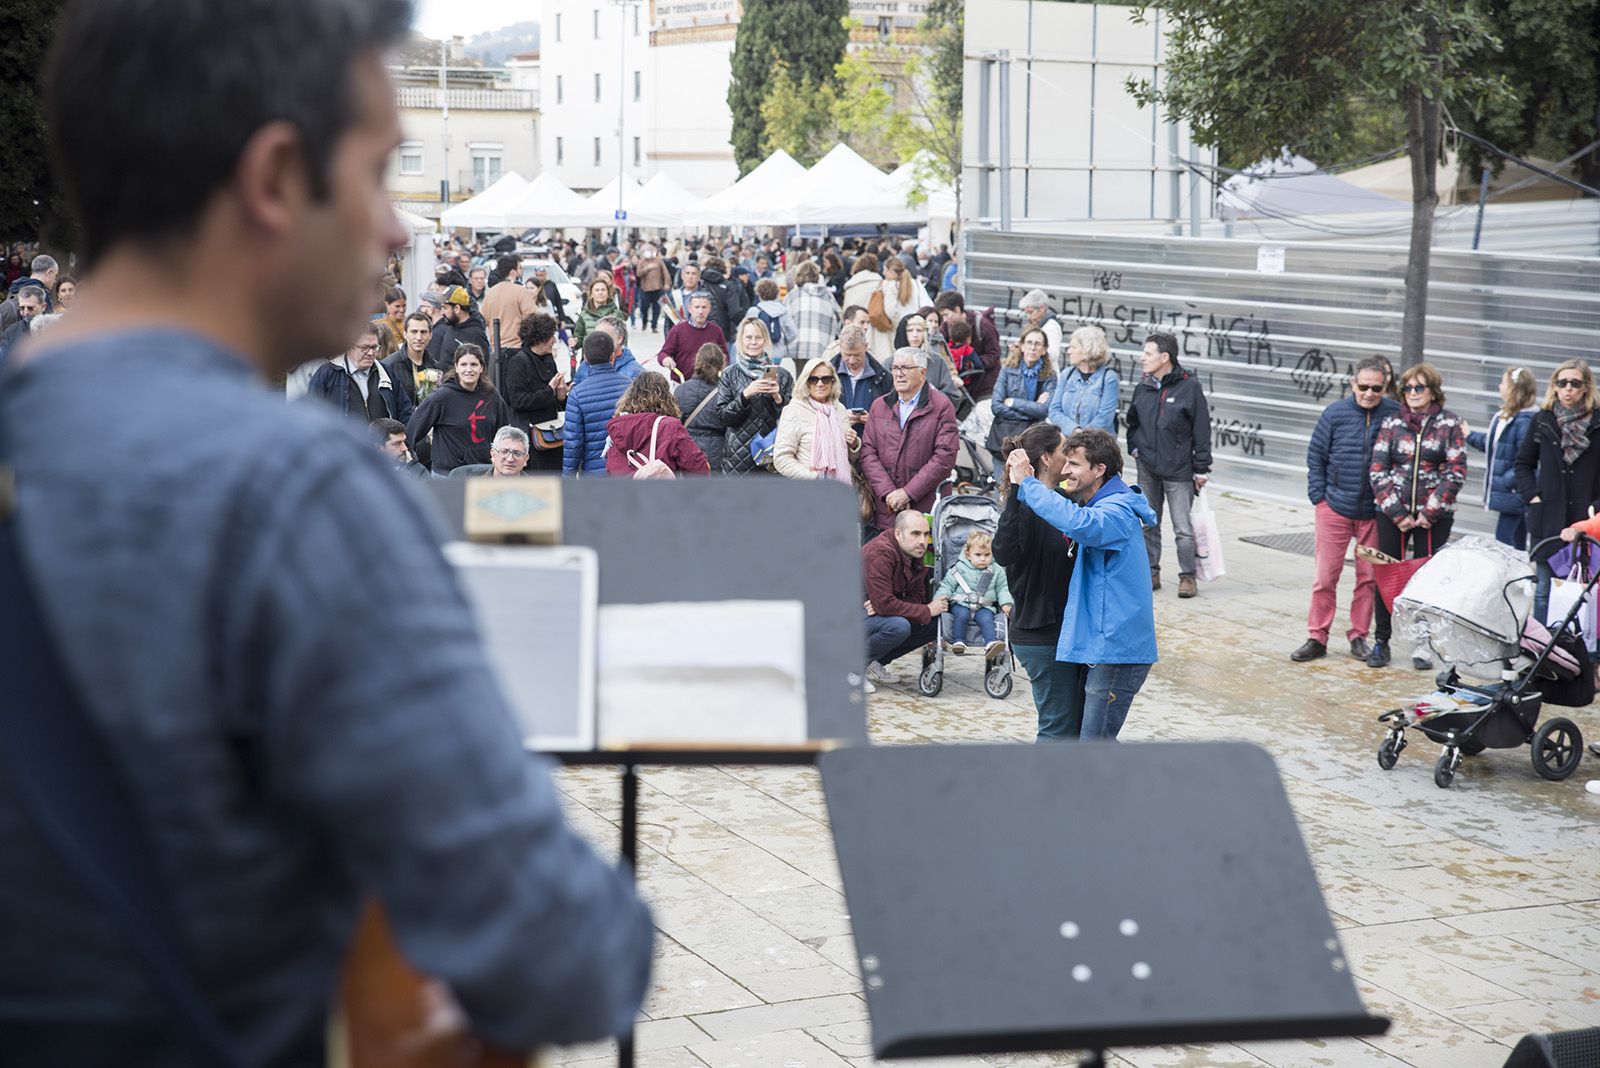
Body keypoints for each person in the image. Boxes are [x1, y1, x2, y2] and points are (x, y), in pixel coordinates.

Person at [1, 0, 651, 1059]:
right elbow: (557, 953)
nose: (395, 229)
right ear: (271, 181)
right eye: (375, 171)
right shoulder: (298, 492)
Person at [1006, 429, 1158, 739]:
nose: (1065, 470)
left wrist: (1029, 484)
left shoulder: (1117, 512)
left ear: (1099, 469)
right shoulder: (1099, 503)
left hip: (1117, 652)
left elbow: (1079, 524)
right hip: (1100, 647)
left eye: (1074, 464)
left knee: (1092, 747)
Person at [1291, 358, 1400, 664]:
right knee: (1325, 576)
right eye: (1363, 386)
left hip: (1374, 513)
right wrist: (1319, 497)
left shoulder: (1394, 414)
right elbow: (1316, 456)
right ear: (1353, 384)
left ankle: (1359, 636)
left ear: (1384, 387)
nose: (1368, 393)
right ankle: (1317, 636)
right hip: (1335, 508)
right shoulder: (1334, 413)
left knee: (1368, 579)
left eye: (1376, 388)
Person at [1367, 362, 1467, 670]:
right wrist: (1398, 513)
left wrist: (1429, 512)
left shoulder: (1448, 424)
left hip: (1433, 517)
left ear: (1433, 391)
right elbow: (1378, 469)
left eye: (1418, 388)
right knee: (1386, 573)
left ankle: (1424, 643)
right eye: (1407, 388)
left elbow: (1457, 470)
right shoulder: (1392, 423)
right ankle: (1381, 640)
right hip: (1392, 514)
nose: (1412, 393)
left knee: (1427, 579)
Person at [993, 422, 1081, 740]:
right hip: (1040, 635)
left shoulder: (1060, 500)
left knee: (1072, 725)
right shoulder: (1025, 506)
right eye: (1063, 452)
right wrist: (1019, 487)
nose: (1068, 458)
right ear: (1045, 458)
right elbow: (1003, 551)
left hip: (1064, 631)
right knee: (1057, 727)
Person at [1126, 331, 1212, 599]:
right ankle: (1151, 572)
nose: (1142, 358)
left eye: (1148, 353)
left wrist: (1201, 468)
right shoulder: (1144, 386)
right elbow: (1132, 422)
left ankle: (1187, 576)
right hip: (1148, 468)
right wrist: (1135, 449)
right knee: (1148, 523)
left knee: (1183, 528)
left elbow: (1202, 429)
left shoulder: (1190, 386)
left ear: (1165, 357)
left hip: (1179, 470)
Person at [1515, 360, 1600, 626]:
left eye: (1575, 383)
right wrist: (1532, 496)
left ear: (1586, 387)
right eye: (1562, 383)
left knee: (1582, 591)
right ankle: (1543, 653)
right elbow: (1523, 463)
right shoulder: (1544, 419)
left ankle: (1578, 655)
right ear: (1554, 386)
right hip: (1548, 517)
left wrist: (1595, 508)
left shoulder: (1597, 423)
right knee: (1543, 589)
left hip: (1584, 521)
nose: (1568, 389)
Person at [859, 347, 960, 534]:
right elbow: (868, 453)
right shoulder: (879, 406)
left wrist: (907, 493)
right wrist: (889, 493)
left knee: (923, 560)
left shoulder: (942, 406)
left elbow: (945, 457)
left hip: (925, 507)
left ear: (923, 372)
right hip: (887, 507)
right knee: (888, 559)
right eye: (895, 368)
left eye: (905, 367)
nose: (898, 374)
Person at [861, 510, 949, 694]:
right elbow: (885, 604)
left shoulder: (914, 553)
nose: (922, 541)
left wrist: (887, 604)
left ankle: (874, 662)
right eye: (915, 533)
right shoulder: (880, 552)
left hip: (874, 614)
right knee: (899, 626)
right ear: (898, 534)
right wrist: (885, 605)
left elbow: (917, 597)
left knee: (935, 623)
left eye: (926, 534)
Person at [406, 344, 511, 475]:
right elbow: (411, 432)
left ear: (482, 368)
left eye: (474, 364)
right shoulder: (442, 397)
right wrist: (414, 467)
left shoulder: (492, 396)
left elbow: (504, 434)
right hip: (448, 475)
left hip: (484, 473)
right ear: (456, 367)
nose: (469, 369)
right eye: (463, 365)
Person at [1467, 366, 1538, 550]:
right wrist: (1469, 435)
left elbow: (1527, 460)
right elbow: (1496, 447)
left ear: (1513, 389)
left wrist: (1509, 481)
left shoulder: (1525, 422)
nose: (1499, 386)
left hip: (1515, 493)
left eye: (1503, 383)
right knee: (1516, 543)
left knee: (1504, 543)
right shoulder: (1506, 417)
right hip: (1512, 494)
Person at [715, 318, 793, 475]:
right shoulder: (730, 374)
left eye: (758, 338)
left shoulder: (782, 375)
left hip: (770, 453)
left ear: (765, 340)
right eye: (749, 337)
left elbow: (793, 419)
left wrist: (778, 398)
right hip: (738, 458)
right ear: (741, 340)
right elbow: (723, 417)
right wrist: (745, 395)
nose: (753, 342)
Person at [305, 322, 413, 425]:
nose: (370, 353)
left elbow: (404, 412)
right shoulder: (327, 374)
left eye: (374, 347)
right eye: (364, 348)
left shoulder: (386, 372)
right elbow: (311, 414)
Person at [604, 373, 710, 477]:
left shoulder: (617, 430)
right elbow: (699, 469)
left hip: (625, 493)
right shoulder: (669, 426)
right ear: (666, 397)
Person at [773, 357, 860, 483]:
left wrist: (854, 444)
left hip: (842, 490)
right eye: (813, 379)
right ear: (806, 382)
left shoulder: (839, 409)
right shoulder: (794, 410)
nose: (820, 384)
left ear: (832, 382)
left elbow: (850, 457)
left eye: (825, 379)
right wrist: (814, 477)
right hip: (809, 492)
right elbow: (781, 459)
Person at [503, 312, 568, 472]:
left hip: (552, 434)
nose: (554, 341)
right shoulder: (519, 362)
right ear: (538, 339)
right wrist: (549, 390)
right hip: (532, 439)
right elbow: (518, 401)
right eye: (550, 337)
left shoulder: (548, 360)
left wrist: (561, 396)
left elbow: (555, 400)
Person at [933, 530, 1013, 659]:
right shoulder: (958, 568)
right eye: (978, 555)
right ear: (968, 554)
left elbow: (1002, 589)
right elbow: (947, 585)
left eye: (987, 555)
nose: (983, 558)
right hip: (961, 603)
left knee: (987, 619)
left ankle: (991, 643)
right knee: (961, 615)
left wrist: (1006, 603)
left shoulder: (996, 570)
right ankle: (959, 641)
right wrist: (940, 598)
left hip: (984, 606)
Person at [987, 327, 1057, 471]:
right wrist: (1031, 410)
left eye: (1037, 344)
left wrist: (1013, 402)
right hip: (1003, 436)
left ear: (1044, 350)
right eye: (1029, 342)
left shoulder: (1049, 375)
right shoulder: (1007, 369)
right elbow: (996, 406)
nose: (1033, 347)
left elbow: (1044, 410)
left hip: (1031, 442)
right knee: (1001, 490)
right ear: (1023, 346)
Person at [563, 331, 630, 476]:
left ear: (585, 358)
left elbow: (573, 443)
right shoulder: (630, 386)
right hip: (627, 470)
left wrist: (567, 479)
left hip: (594, 474)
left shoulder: (577, 394)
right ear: (612, 356)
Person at [1048, 325, 1120, 434]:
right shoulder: (1066, 375)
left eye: (1073, 347)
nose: (1068, 352)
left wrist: (1083, 437)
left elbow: (1105, 417)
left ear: (1087, 349)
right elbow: (1054, 410)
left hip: (1097, 446)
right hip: (1069, 444)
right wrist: (1074, 430)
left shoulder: (1108, 378)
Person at [932, 291, 1001, 399]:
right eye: (942, 316)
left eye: (946, 314)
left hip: (983, 387)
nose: (944, 319)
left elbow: (994, 354)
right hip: (959, 387)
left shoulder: (983, 325)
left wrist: (971, 362)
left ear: (957, 309)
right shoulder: (945, 327)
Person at [895, 312, 964, 413]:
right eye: (910, 330)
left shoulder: (937, 361)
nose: (915, 335)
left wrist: (932, 395)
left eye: (919, 330)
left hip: (932, 421)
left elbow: (953, 398)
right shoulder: (890, 363)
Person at [674, 344, 727, 473]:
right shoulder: (724, 392)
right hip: (717, 451)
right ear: (721, 364)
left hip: (687, 450)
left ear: (697, 361)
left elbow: (675, 424)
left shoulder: (681, 390)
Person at [658, 290, 726, 383]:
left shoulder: (716, 330)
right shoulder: (677, 330)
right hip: (681, 382)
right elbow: (664, 353)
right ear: (690, 309)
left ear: (709, 309)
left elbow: (725, 354)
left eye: (704, 307)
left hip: (710, 383)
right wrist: (666, 359)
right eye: (697, 307)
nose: (700, 311)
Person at [480, 254, 542, 357]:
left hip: (496, 349)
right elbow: (532, 318)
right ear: (513, 272)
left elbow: (483, 320)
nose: (521, 270)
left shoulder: (490, 293)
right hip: (517, 348)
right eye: (519, 268)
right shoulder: (522, 291)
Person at [784, 261, 840, 367]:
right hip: (822, 346)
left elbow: (784, 322)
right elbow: (839, 318)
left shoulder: (792, 296)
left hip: (798, 346)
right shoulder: (828, 295)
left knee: (800, 379)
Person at [425, 284, 490, 369]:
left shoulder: (475, 334)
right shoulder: (451, 326)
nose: (442, 313)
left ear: (457, 309)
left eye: (445, 308)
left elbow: (482, 368)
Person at [745, 277, 797, 366]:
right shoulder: (782, 311)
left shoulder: (754, 311)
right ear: (776, 293)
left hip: (758, 352)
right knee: (773, 377)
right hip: (777, 352)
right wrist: (783, 341)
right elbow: (793, 332)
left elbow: (745, 332)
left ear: (759, 293)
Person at [699, 257, 747, 344]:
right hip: (723, 331)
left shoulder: (700, 284)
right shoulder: (728, 285)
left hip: (701, 330)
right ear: (723, 269)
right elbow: (734, 311)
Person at [571, 275, 623, 347]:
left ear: (608, 293)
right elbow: (578, 338)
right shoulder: (584, 314)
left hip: (611, 356)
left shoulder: (617, 314)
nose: (600, 293)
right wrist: (574, 342)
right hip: (589, 356)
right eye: (597, 290)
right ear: (591, 294)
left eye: (603, 290)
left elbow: (623, 339)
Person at [1018, 289, 1062, 365]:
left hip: (1046, 374)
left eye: (1030, 312)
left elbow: (1053, 355)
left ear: (1042, 309)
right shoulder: (1037, 325)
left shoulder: (1051, 327)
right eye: (1026, 313)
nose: (1028, 317)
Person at [634, 245, 670, 332]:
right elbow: (638, 274)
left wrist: (666, 283)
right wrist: (647, 268)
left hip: (658, 288)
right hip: (645, 289)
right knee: (644, 307)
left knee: (656, 308)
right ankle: (644, 321)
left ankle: (654, 325)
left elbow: (665, 273)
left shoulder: (659, 261)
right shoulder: (641, 262)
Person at [373, 284, 407, 352]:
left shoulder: (411, 322)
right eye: (397, 306)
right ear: (387, 304)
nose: (402, 310)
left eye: (404, 306)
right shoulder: (377, 325)